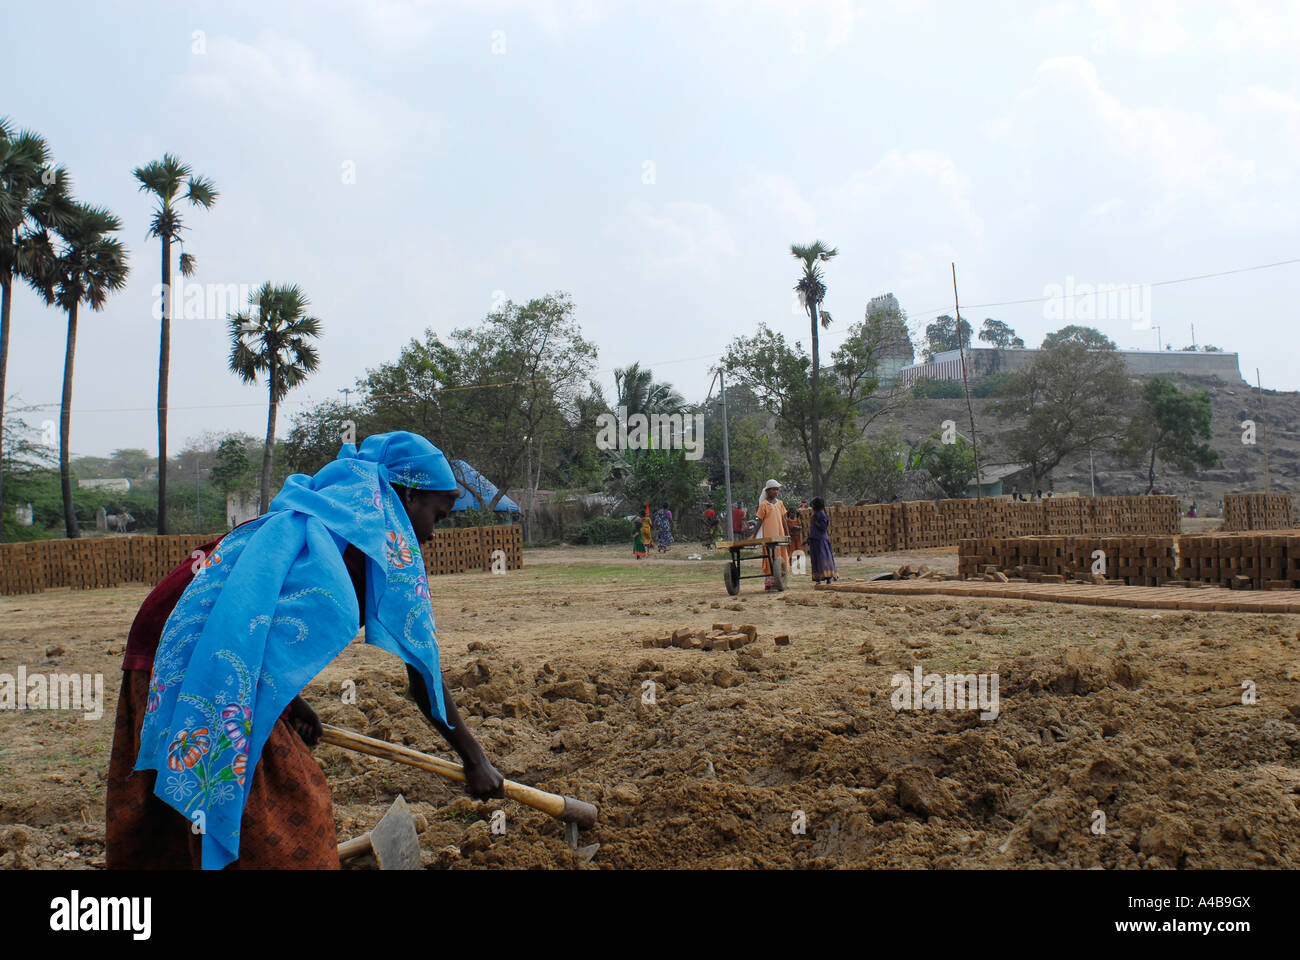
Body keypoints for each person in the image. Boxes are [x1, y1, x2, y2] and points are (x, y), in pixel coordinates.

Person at [106, 431, 504, 870]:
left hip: (175, 638)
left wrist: (290, 702)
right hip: (190, 658)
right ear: (408, 496)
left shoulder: (326, 520)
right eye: (438, 516)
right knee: (284, 806)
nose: (431, 535)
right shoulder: (363, 543)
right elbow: (421, 672)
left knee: (186, 811)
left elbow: (253, 620)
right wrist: (476, 761)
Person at [755, 479, 790, 591]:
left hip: (780, 534)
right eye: (774, 489)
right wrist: (754, 535)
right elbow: (759, 521)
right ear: (768, 491)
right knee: (770, 556)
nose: (776, 491)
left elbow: (784, 520)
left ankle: (779, 580)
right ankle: (770, 582)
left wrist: (787, 533)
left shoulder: (780, 504)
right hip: (769, 535)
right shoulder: (764, 505)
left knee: (780, 555)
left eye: (777, 489)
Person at [806, 496, 838, 584]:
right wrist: (808, 538)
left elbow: (823, 527)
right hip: (814, 540)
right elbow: (813, 529)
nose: (812, 507)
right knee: (816, 559)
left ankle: (828, 578)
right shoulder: (815, 514)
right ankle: (818, 579)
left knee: (824, 559)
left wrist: (815, 521)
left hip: (821, 541)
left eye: (813, 506)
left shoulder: (821, 514)